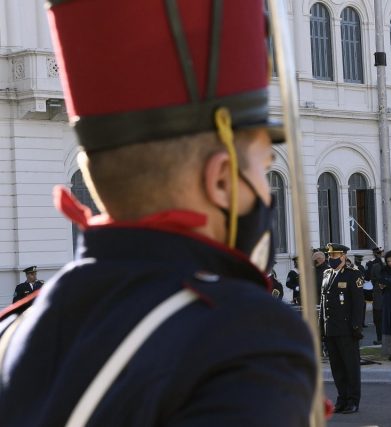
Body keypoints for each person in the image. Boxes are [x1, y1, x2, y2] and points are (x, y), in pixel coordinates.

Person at [0, 3, 318, 424]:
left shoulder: (13, 328)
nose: (266, 187)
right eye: (264, 168)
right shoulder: (243, 336)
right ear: (222, 179)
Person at [320, 244, 365, 413]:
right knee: (337, 367)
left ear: (344, 256)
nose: (332, 258)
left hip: (347, 329)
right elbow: (324, 304)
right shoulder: (327, 274)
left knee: (350, 367)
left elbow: (358, 304)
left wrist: (356, 327)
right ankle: (342, 398)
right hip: (330, 328)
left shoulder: (353, 275)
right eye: (330, 255)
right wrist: (320, 329)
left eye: (336, 255)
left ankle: (353, 400)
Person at [366, 247, 385, 344]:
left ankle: (380, 338)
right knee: (380, 319)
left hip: (378, 295)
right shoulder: (382, 264)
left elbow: (370, 278)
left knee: (378, 319)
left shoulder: (373, 264)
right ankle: (382, 338)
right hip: (380, 295)